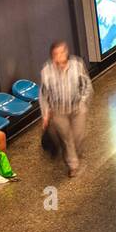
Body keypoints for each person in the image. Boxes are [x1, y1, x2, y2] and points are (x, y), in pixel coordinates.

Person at [38, 41, 94, 178]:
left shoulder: (77, 65)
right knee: (66, 138)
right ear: (52, 56)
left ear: (67, 52)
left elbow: (86, 85)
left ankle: (75, 153)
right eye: (56, 54)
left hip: (77, 108)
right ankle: (73, 166)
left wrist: (83, 103)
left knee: (78, 136)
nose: (60, 56)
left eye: (62, 52)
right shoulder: (46, 71)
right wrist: (45, 114)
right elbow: (43, 95)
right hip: (58, 111)